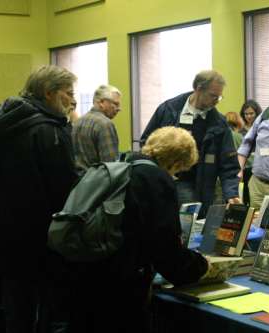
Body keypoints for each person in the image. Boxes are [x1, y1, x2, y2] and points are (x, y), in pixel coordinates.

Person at [47, 126, 209, 333]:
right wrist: (200, 267)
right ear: (176, 162)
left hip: (84, 272)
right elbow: (165, 246)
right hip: (120, 286)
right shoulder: (156, 179)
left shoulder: (119, 166)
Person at [0, 65, 78, 333]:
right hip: (38, 232)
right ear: (48, 93)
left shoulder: (1, 124)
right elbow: (64, 190)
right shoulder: (51, 130)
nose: (73, 100)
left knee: (12, 300)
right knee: (43, 304)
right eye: (68, 93)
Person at [141, 70, 240, 216]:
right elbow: (146, 144)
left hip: (200, 187)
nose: (216, 100)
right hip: (163, 182)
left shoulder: (219, 123)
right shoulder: (168, 110)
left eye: (219, 97)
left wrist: (231, 193)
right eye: (213, 95)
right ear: (198, 89)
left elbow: (229, 164)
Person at [72, 84, 121, 172]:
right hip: (97, 183)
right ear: (102, 102)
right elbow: (111, 166)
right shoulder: (105, 124)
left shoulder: (78, 122)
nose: (119, 109)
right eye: (116, 104)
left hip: (79, 181)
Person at [238, 100, 262, 205]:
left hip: (258, 166)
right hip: (245, 167)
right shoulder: (240, 130)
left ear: (257, 113)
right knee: (246, 195)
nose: (248, 116)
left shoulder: (262, 129)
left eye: (251, 113)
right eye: (246, 114)